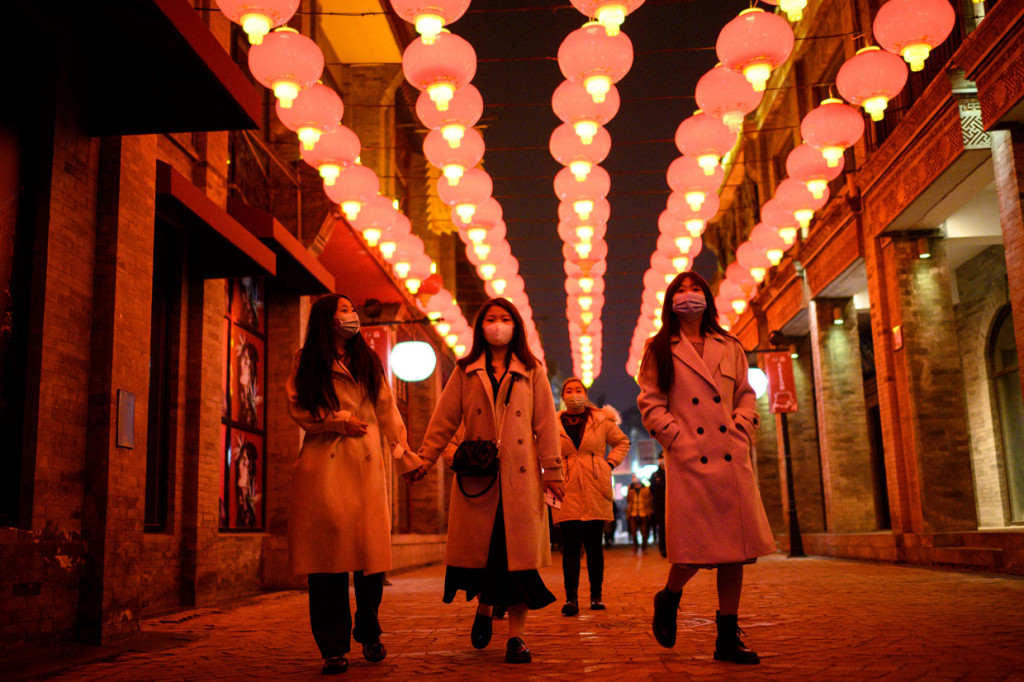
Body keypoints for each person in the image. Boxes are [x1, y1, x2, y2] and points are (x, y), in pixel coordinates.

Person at [406, 297, 564, 664]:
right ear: (480, 327)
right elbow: (444, 419)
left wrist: (553, 472)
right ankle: (485, 605)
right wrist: (425, 458)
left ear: (516, 325)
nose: (497, 325)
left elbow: (545, 424)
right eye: (491, 318)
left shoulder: (532, 370)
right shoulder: (465, 370)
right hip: (479, 479)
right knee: (484, 557)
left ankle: (517, 638)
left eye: (504, 318)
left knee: (520, 564)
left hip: (519, 481)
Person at [637, 271, 776, 665]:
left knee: (736, 552)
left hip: (729, 457)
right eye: (680, 290)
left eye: (695, 289)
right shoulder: (659, 348)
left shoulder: (730, 345)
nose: (688, 295)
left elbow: (745, 393)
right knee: (692, 551)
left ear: (707, 297)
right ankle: (669, 596)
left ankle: (727, 637)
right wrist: (676, 439)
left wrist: (742, 425)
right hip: (689, 460)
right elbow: (650, 402)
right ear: (670, 302)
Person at [286, 294, 421, 675]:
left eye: (352, 310)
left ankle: (369, 628)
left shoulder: (368, 359)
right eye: (343, 310)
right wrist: (336, 421)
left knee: (371, 559)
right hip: (324, 467)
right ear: (326, 319)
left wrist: (403, 454)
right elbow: (297, 406)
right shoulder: (306, 360)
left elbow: (387, 408)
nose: (352, 316)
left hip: (366, 464)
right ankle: (332, 645)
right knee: (327, 564)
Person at [552, 377, 629, 616]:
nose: (573, 394)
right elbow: (541, 448)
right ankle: (571, 598)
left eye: (578, 390)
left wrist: (609, 463)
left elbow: (622, 442)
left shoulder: (600, 420)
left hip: (596, 485)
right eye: (568, 391)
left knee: (595, 546)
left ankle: (596, 596)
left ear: (585, 395)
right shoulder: (552, 422)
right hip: (565, 487)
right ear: (563, 397)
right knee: (570, 546)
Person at [649, 456, 667, 557]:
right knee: (662, 527)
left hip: (671, 505)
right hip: (659, 505)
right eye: (661, 458)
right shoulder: (655, 475)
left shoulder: (671, 473)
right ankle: (663, 549)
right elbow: (651, 491)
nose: (662, 460)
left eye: (664, 457)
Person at [626, 475, 651, 550]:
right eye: (636, 484)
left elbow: (649, 499)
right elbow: (628, 499)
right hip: (633, 513)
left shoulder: (645, 490)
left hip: (643, 513)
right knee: (633, 531)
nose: (637, 486)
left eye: (638, 484)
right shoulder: (631, 491)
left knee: (644, 531)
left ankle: (644, 546)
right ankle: (635, 545)